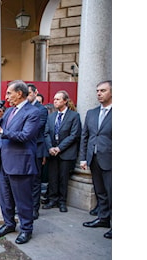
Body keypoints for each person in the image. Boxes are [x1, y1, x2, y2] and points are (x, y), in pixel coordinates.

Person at [0, 80, 41, 244]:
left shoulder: (33, 112)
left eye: (9, 93)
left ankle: (26, 229)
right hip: (4, 162)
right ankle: (9, 223)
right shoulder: (9, 111)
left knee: (23, 200)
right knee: (5, 199)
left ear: (20, 93)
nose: (6, 96)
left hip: (21, 163)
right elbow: (2, 128)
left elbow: (25, 136)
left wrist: (1, 130)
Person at [80, 80, 112, 239]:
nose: (99, 93)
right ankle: (104, 218)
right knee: (100, 191)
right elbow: (85, 137)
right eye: (98, 90)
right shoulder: (91, 113)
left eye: (103, 90)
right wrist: (83, 158)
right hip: (94, 159)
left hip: (111, 160)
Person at [42, 90, 81, 213]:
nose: (55, 101)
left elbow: (74, 135)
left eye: (58, 99)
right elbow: (46, 133)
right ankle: (52, 200)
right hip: (52, 152)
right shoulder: (51, 116)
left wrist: (60, 148)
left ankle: (62, 202)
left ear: (65, 101)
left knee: (63, 178)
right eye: (54, 99)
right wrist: (50, 148)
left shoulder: (74, 116)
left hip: (66, 152)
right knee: (52, 177)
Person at [27, 83, 49, 220]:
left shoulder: (41, 109)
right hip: (24, 148)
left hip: (37, 148)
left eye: (29, 93)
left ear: (36, 93)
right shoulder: (23, 108)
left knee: (35, 181)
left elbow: (36, 127)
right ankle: (25, 206)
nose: (27, 96)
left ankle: (35, 209)